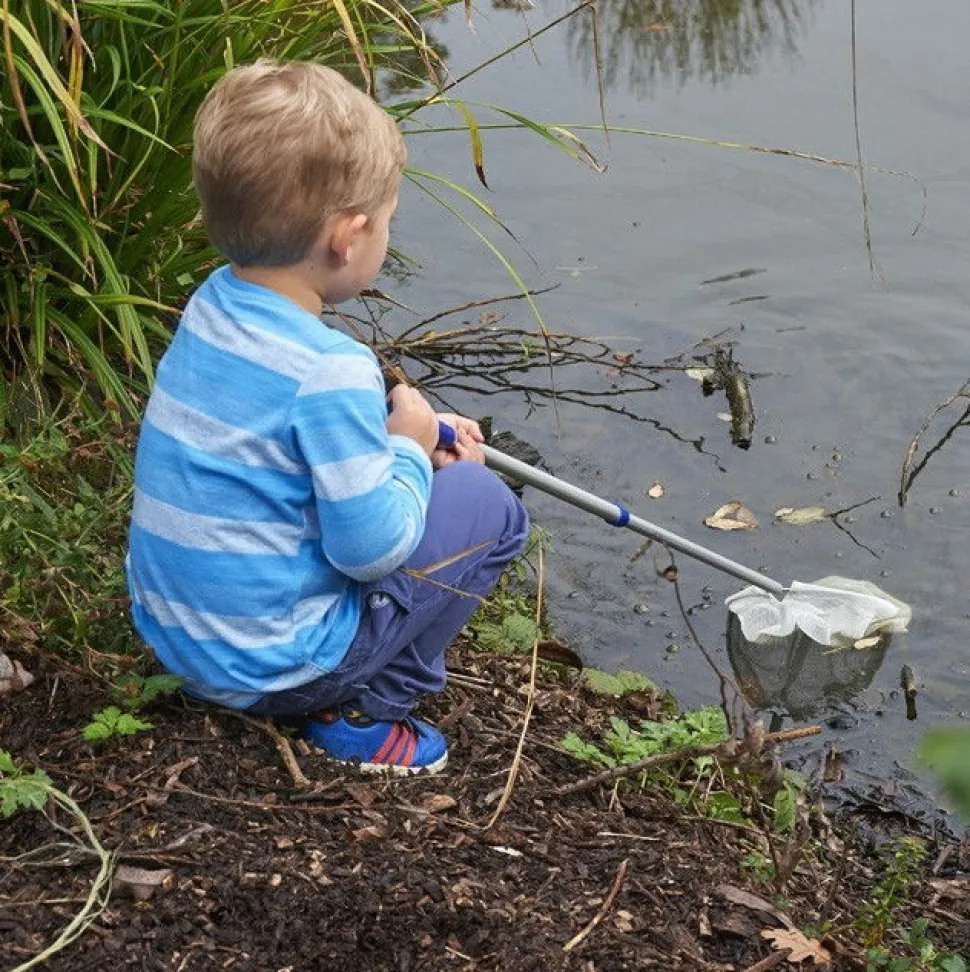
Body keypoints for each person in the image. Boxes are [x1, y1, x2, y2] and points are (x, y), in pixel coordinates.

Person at [126, 61, 530, 775]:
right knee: (490, 506)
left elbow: (277, 434)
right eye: (387, 223)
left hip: (179, 642)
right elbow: (370, 553)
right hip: (276, 669)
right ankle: (363, 712)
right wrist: (409, 455)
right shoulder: (332, 367)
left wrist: (396, 435)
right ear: (348, 237)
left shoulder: (211, 306)